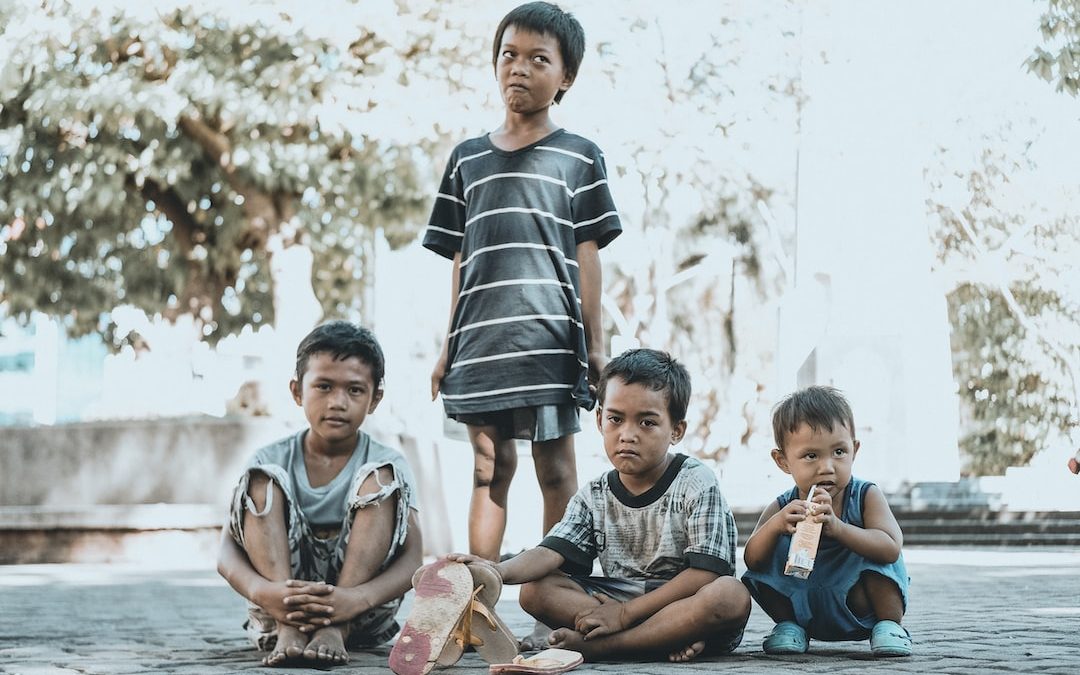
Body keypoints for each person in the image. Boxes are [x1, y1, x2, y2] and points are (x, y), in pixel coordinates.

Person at [423, 1, 622, 573]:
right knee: (489, 469)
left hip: (550, 340)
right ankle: (473, 600)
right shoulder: (466, 160)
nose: (519, 68)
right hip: (481, 345)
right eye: (509, 54)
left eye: (539, 58)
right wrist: (447, 348)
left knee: (556, 469)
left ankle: (555, 601)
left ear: (566, 77)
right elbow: (462, 259)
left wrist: (595, 343)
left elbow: (588, 257)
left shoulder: (580, 157)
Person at [449, 349, 751, 663]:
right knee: (535, 590)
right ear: (599, 419)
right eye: (616, 419)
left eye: (647, 422)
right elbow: (550, 552)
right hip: (618, 601)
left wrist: (625, 614)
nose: (627, 435)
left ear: (676, 430)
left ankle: (605, 647)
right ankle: (661, 639)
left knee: (730, 595)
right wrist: (495, 571)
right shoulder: (594, 494)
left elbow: (704, 575)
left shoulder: (697, 482)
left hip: (681, 601)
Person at [217, 321, 423, 667]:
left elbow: (413, 558)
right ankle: (290, 628)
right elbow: (226, 553)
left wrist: (353, 600)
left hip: (361, 615)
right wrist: (264, 593)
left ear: (375, 399)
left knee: (382, 477)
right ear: (297, 391)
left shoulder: (387, 463)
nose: (338, 402)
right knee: (260, 479)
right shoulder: (270, 458)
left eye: (355, 390)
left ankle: (334, 629)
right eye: (324, 386)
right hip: (276, 608)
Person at [741, 385, 912, 657]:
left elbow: (891, 546)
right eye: (811, 456)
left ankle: (889, 625)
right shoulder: (784, 506)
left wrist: (840, 529)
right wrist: (775, 526)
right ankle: (790, 626)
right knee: (763, 561)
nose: (827, 467)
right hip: (806, 603)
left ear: (854, 450)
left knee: (878, 551)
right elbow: (752, 559)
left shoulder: (865, 495)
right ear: (783, 461)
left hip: (858, 602)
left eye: (839, 452)